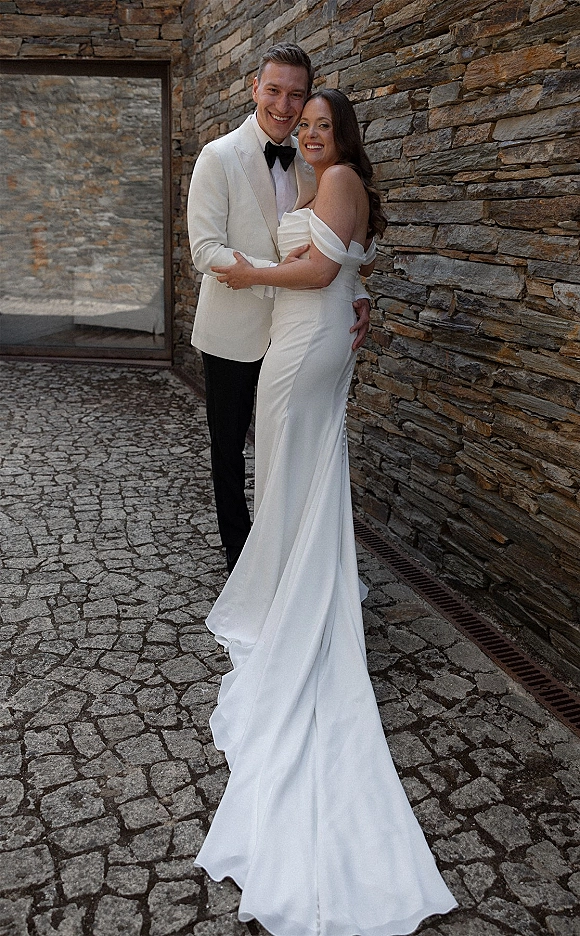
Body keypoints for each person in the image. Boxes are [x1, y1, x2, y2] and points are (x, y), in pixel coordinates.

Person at [193, 88, 457, 936]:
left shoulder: (338, 177)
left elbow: (317, 267)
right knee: (292, 471)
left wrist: (248, 270)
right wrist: (350, 293)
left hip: (304, 343)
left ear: (341, 136)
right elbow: (346, 264)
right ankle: (289, 584)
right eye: (301, 124)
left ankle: (295, 597)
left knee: (293, 465)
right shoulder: (322, 183)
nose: (308, 134)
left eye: (320, 125)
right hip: (308, 334)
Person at [187, 43, 371, 573]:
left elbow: (332, 241)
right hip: (235, 326)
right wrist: (273, 274)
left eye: (296, 94)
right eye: (274, 90)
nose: (285, 105)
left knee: (288, 444)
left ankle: (285, 554)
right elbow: (205, 249)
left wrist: (356, 293)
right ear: (254, 89)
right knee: (230, 447)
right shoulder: (217, 157)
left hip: (299, 333)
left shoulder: (315, 162)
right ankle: (239, 555)